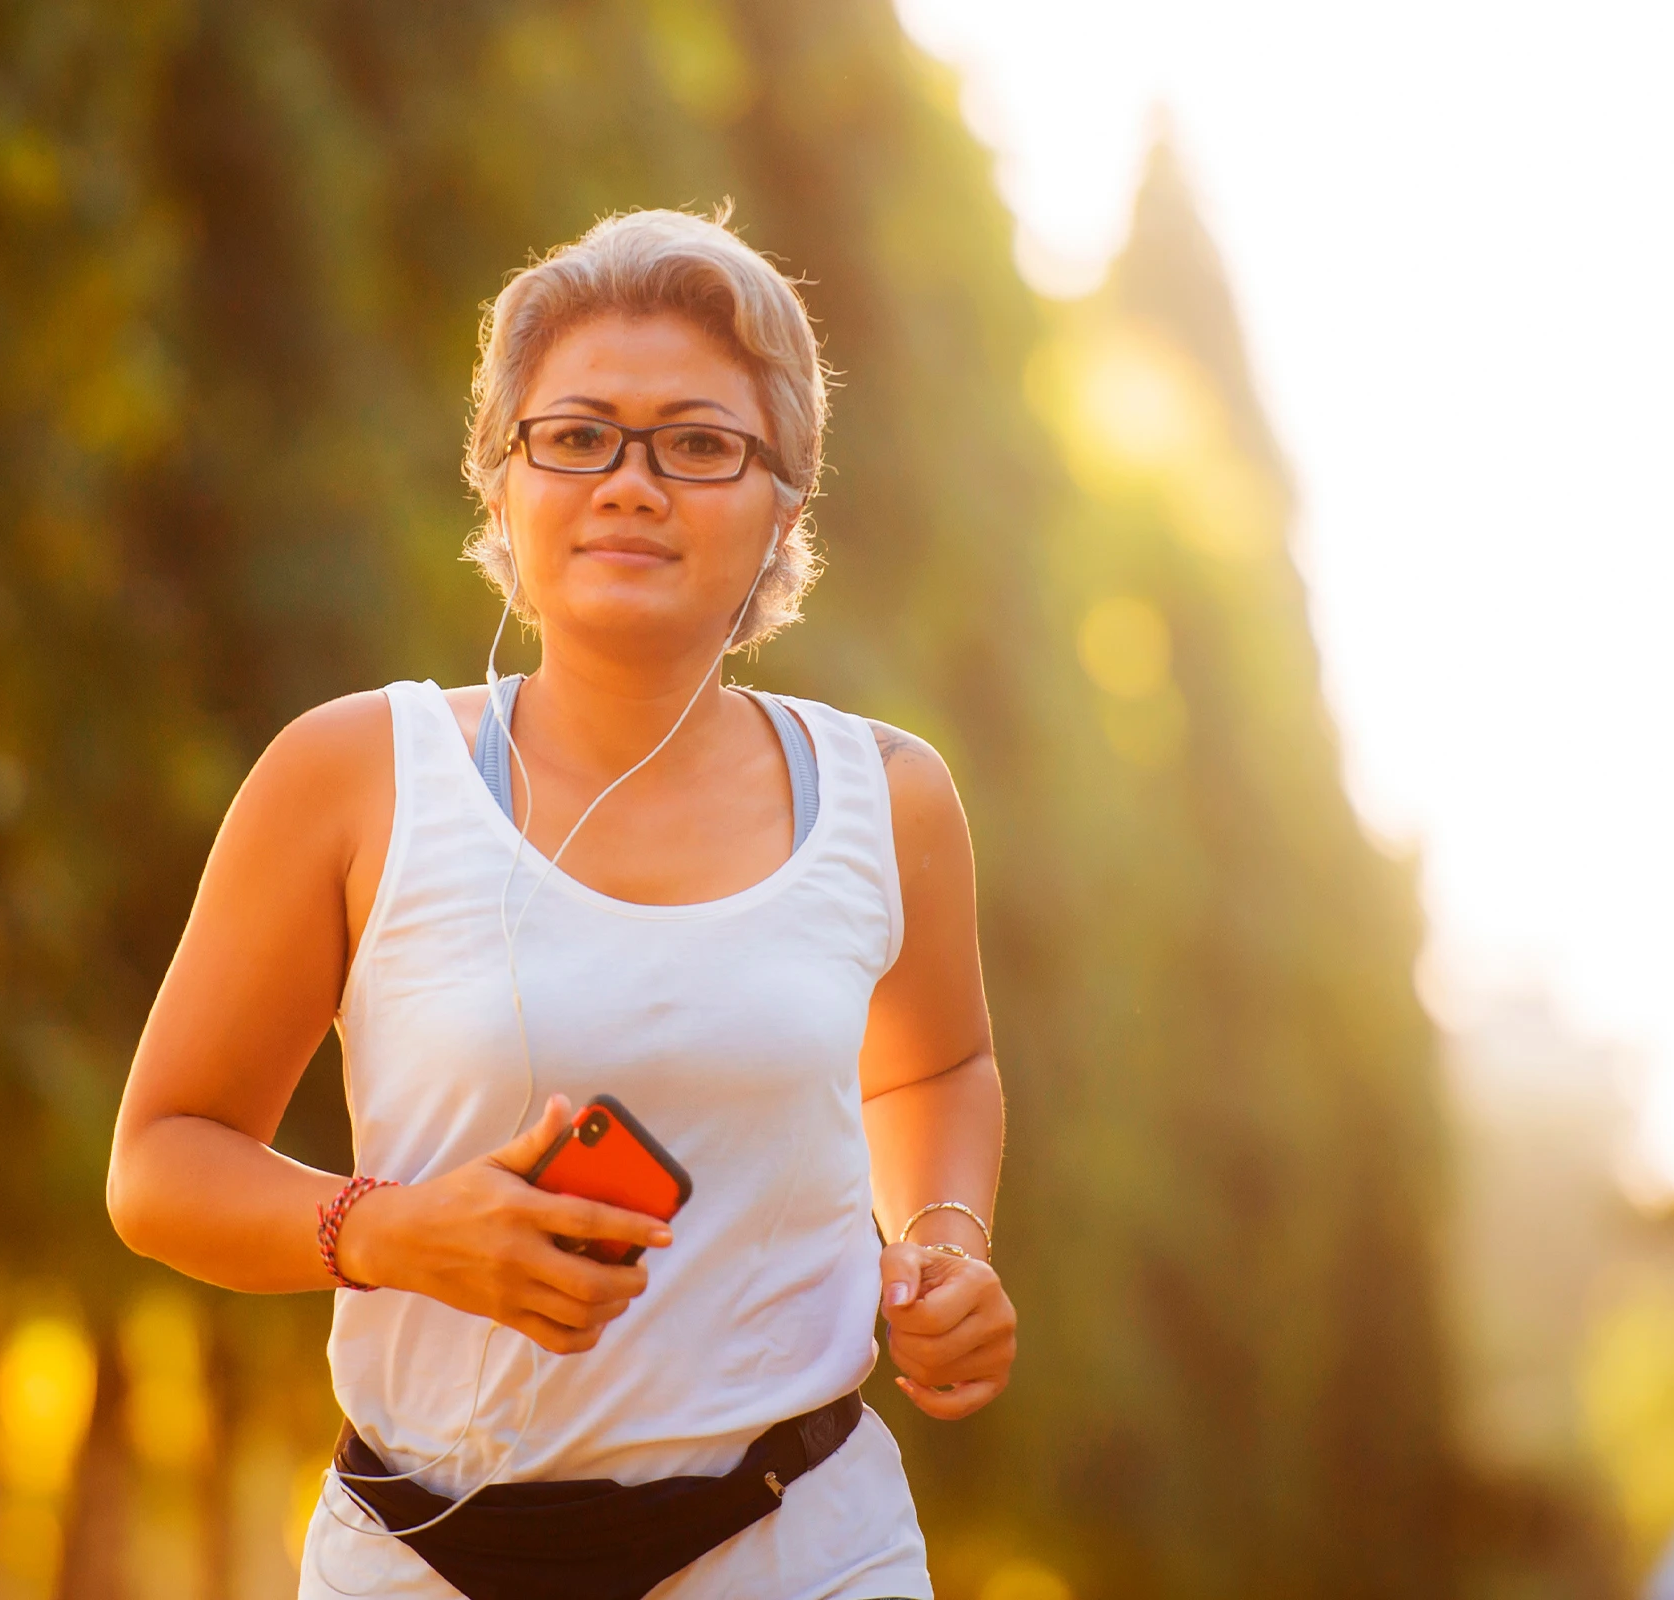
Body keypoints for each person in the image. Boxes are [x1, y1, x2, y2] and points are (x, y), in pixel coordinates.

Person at [108, 207, 1014, 1599]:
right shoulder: (352, 775)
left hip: (801, 1548)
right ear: (502, 481)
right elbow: (163, 1159)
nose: (631, 484)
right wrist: (394, 1231)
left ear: (785, 499)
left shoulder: (889, 796)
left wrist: (943, 1242)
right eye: (578, 435)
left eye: (700, 445)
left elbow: (939, 1066)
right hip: (421, 1559)